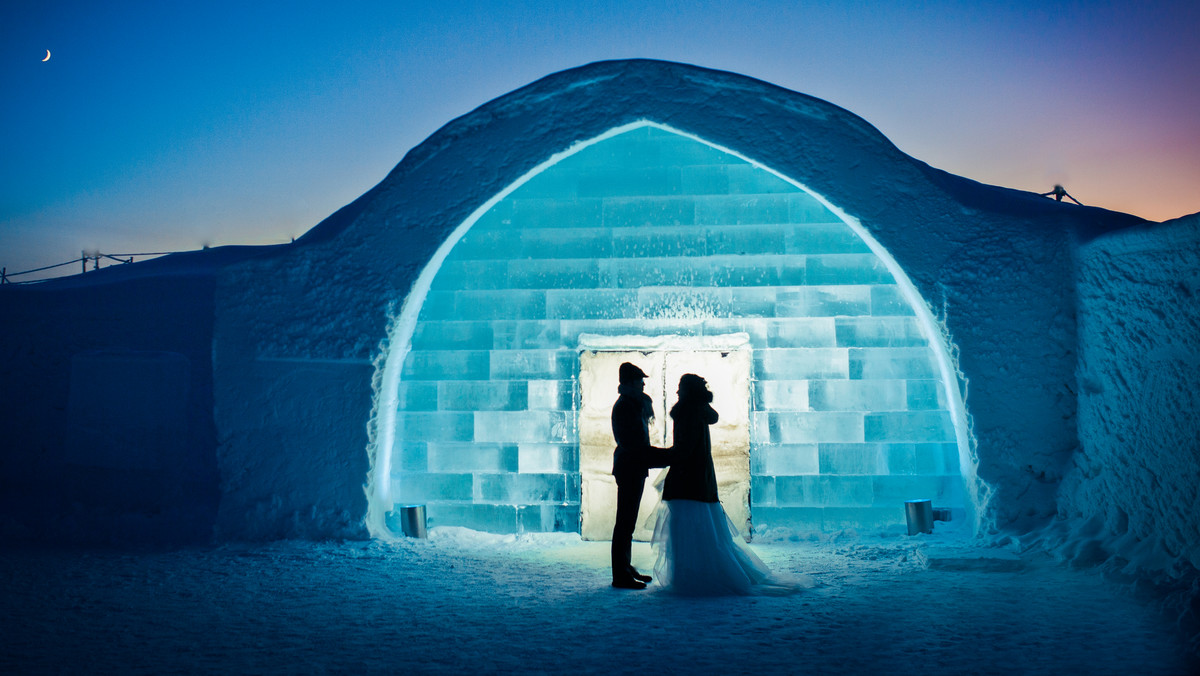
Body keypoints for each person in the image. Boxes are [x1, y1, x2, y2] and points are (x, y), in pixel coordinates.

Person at [653, 373, 808, 595]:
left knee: (685, 532)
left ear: (687, 391)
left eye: (680, 387)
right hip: (701, 481)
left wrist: (655, 457)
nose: (677, 391)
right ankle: (703, 574)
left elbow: (683, 451)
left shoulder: (686, 412)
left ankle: (689, 578)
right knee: (706, 533)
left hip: (685, 480)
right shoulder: (699, 411)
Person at [610, 362, 670, 590]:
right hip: (629, 467)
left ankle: (624, 569)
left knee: (626, 523)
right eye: (639, 380)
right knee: (625, 523)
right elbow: (635, 445)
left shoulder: (632, 404)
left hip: (631, 467)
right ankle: (620, 574)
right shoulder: (627, 406)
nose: (643, 383)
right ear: (629, 382)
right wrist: (667, 456)